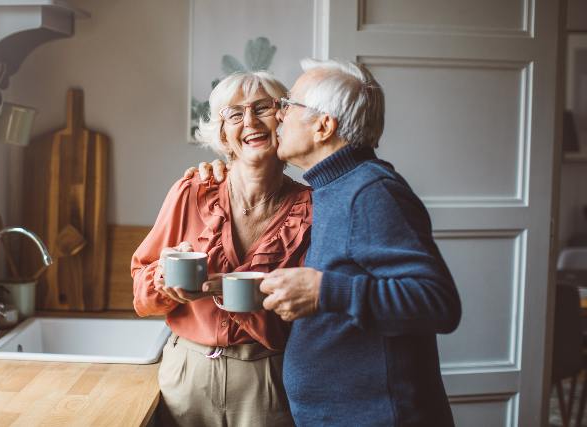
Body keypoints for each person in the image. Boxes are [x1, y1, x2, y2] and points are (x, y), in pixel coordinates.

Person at [187, 58, 462, 426]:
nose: (278, 117)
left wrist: (322, 292)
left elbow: (438, 303)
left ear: (323, 125)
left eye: (288, 106)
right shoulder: (333, 187)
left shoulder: (371, 192)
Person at [131, 71, 312, 426]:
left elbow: (313, 314)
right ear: (224, 136)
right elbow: (140, 291)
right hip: (187, 374)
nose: (249, 122)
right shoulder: (192, 190)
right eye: (234, 114)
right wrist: (163, 280)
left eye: (262, 108)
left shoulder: (311, 208)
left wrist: (231, 289)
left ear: (283, 118)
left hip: (268, 377)